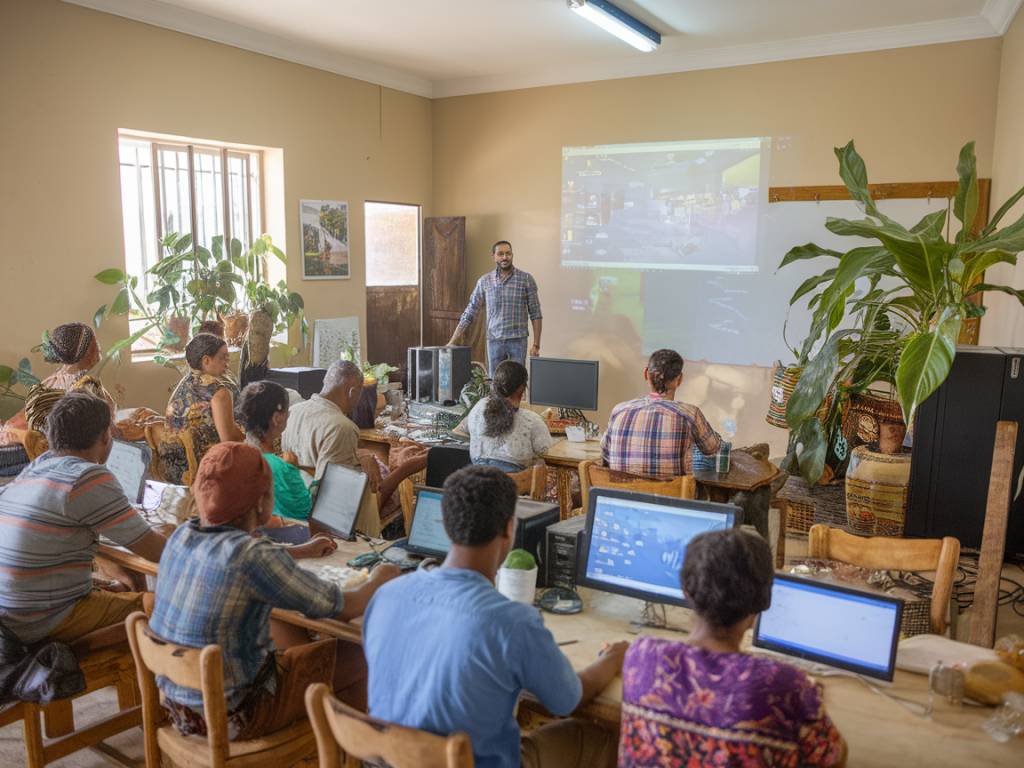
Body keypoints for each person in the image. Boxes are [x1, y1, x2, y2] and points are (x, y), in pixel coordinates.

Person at [363, 466, 628, 768]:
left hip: (389, 760)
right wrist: (612, 658)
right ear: (509, 529)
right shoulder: (512, 622)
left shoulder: (387, 594)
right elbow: (567, 701)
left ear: (446, 526)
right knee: (602, 736)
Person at [149, 442, 401, 740]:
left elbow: (241, 558)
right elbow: (346, 607)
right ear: (260, 502)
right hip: (232, 717)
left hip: (179, 708)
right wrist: (382, 577)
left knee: (284, 630)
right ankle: (345, 753)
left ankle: (329, 749)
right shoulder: (251, 557)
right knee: (358, 653)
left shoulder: (182, 535)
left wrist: (298, 552)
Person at [618, 529, 846, 766]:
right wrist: (809, 703)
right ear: (764, 602)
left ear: (686, 592)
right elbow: (835, 759)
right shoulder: (786, 686)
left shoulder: (641, 655)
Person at [0, 392, 166, 644]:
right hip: (39, 620)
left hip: (10, 614)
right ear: (104, 436)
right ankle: (76, 652)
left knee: (123, 586)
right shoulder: (87, 476)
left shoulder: (36, 467)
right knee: (159, 604)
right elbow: (155, 551)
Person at [282, 360, 426, 513]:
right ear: (352, 392)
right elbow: (343, 504)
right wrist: (404, 470)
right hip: (322, 513)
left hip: (291, 502)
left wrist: (363, 454)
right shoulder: (342, 426)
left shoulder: (293, 411)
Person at [602, 348, 722, 478]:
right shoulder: (689, 414)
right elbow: (712, 448)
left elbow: (605, 454)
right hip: (670, 497)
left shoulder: (619, 411)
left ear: (646, 374)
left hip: (622, 496)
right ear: (679, 380)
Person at [0, 322, 116, 445]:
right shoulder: (85, 386)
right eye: (95, 343)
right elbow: (106, 428)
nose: (99, 347)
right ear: (86, 352)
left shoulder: (53, 379)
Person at [159, 333, 244, 484]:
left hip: (171, 467)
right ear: (206, 360)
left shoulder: (184, 383)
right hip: (201, 469)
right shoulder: (218, 392)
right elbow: (228, 441)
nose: (227, 363)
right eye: (222, 358)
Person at [447, 240, 543, 372]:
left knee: (517, 382)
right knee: (494, 383)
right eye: (500, 254)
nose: (505, 257)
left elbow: (536, 313)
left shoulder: (526, 279)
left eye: (508, 253)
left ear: (512, 255)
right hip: (494, 342)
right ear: (494, 257)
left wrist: (536, 345)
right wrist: (453, 341)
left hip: (518, 341)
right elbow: (470, 311)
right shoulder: (484, 281)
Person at [238, 380, 312, 522]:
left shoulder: (237, 454)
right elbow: (306, 511)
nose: (289, 415)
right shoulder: (280, 467)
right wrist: (292, 470)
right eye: (287, 411)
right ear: (277, 418)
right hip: (282, 536)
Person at [466, 360, 552, 472]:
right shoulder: (532, 420)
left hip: (479, 480)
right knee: (541, 464)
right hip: (513, 485)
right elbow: (544, 450)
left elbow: (467, 428)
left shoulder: (479, 407)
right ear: (522, 388)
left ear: (495, 384)